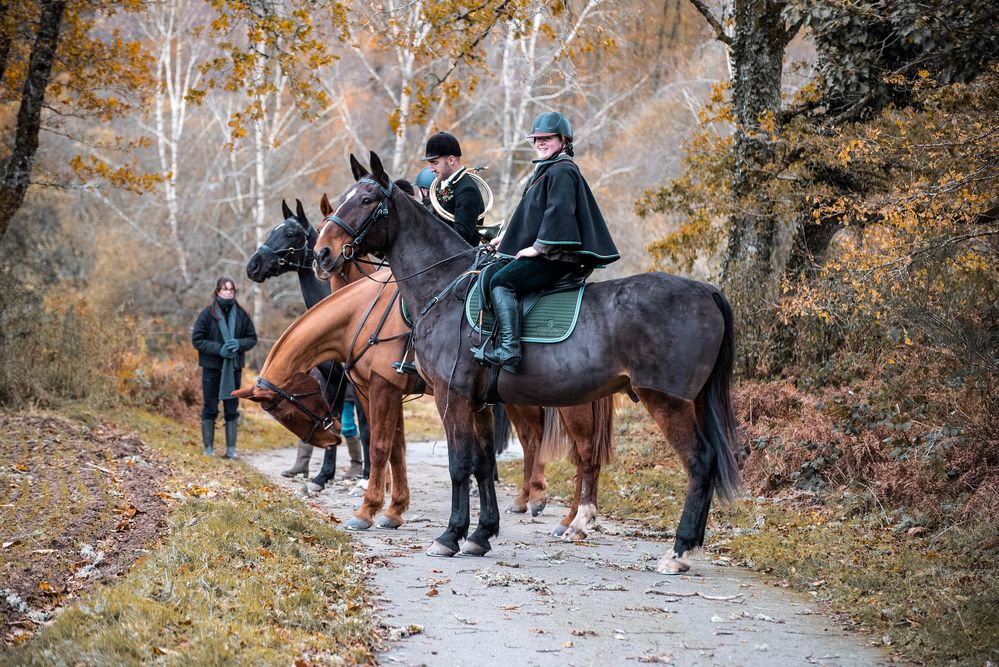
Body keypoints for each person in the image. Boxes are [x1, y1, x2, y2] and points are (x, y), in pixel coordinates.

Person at [474, 111, 620, 373]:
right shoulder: (545, 170)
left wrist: (538, 247)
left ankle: (509, 349)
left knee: (501, 281)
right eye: (536, 139)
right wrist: (506, 239)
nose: (540, 143)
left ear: (563, 140)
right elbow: (532, 215)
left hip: (557, 256)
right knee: (489, 271)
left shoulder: (562, 171)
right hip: (547, 251)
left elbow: (558, 213)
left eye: (547, 138)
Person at [192, 276, 258, 458]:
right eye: (225, 289)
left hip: (234, 369)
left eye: (231, 289)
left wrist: (238, 344)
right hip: (211, 368)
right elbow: (197, 340)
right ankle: (208, 449)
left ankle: (231, 450)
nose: (228, 292)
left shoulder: (243, 315)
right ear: (217, 292)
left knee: (231, 408)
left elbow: (252, 338)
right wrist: (219, 349)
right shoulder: (207, 314)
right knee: (210, 407)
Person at [420, 132, 483, 247]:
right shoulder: (441, 183)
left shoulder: (467, 190)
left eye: (434, 163)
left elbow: (461, 236)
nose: (431, 169)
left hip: (458, 259)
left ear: (451, 160)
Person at [341, 383, 370, 479]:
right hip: (339, 393)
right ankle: (356, 464)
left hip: (357, 390)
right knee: (346, 427)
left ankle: (360, 464)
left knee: (349, 427)